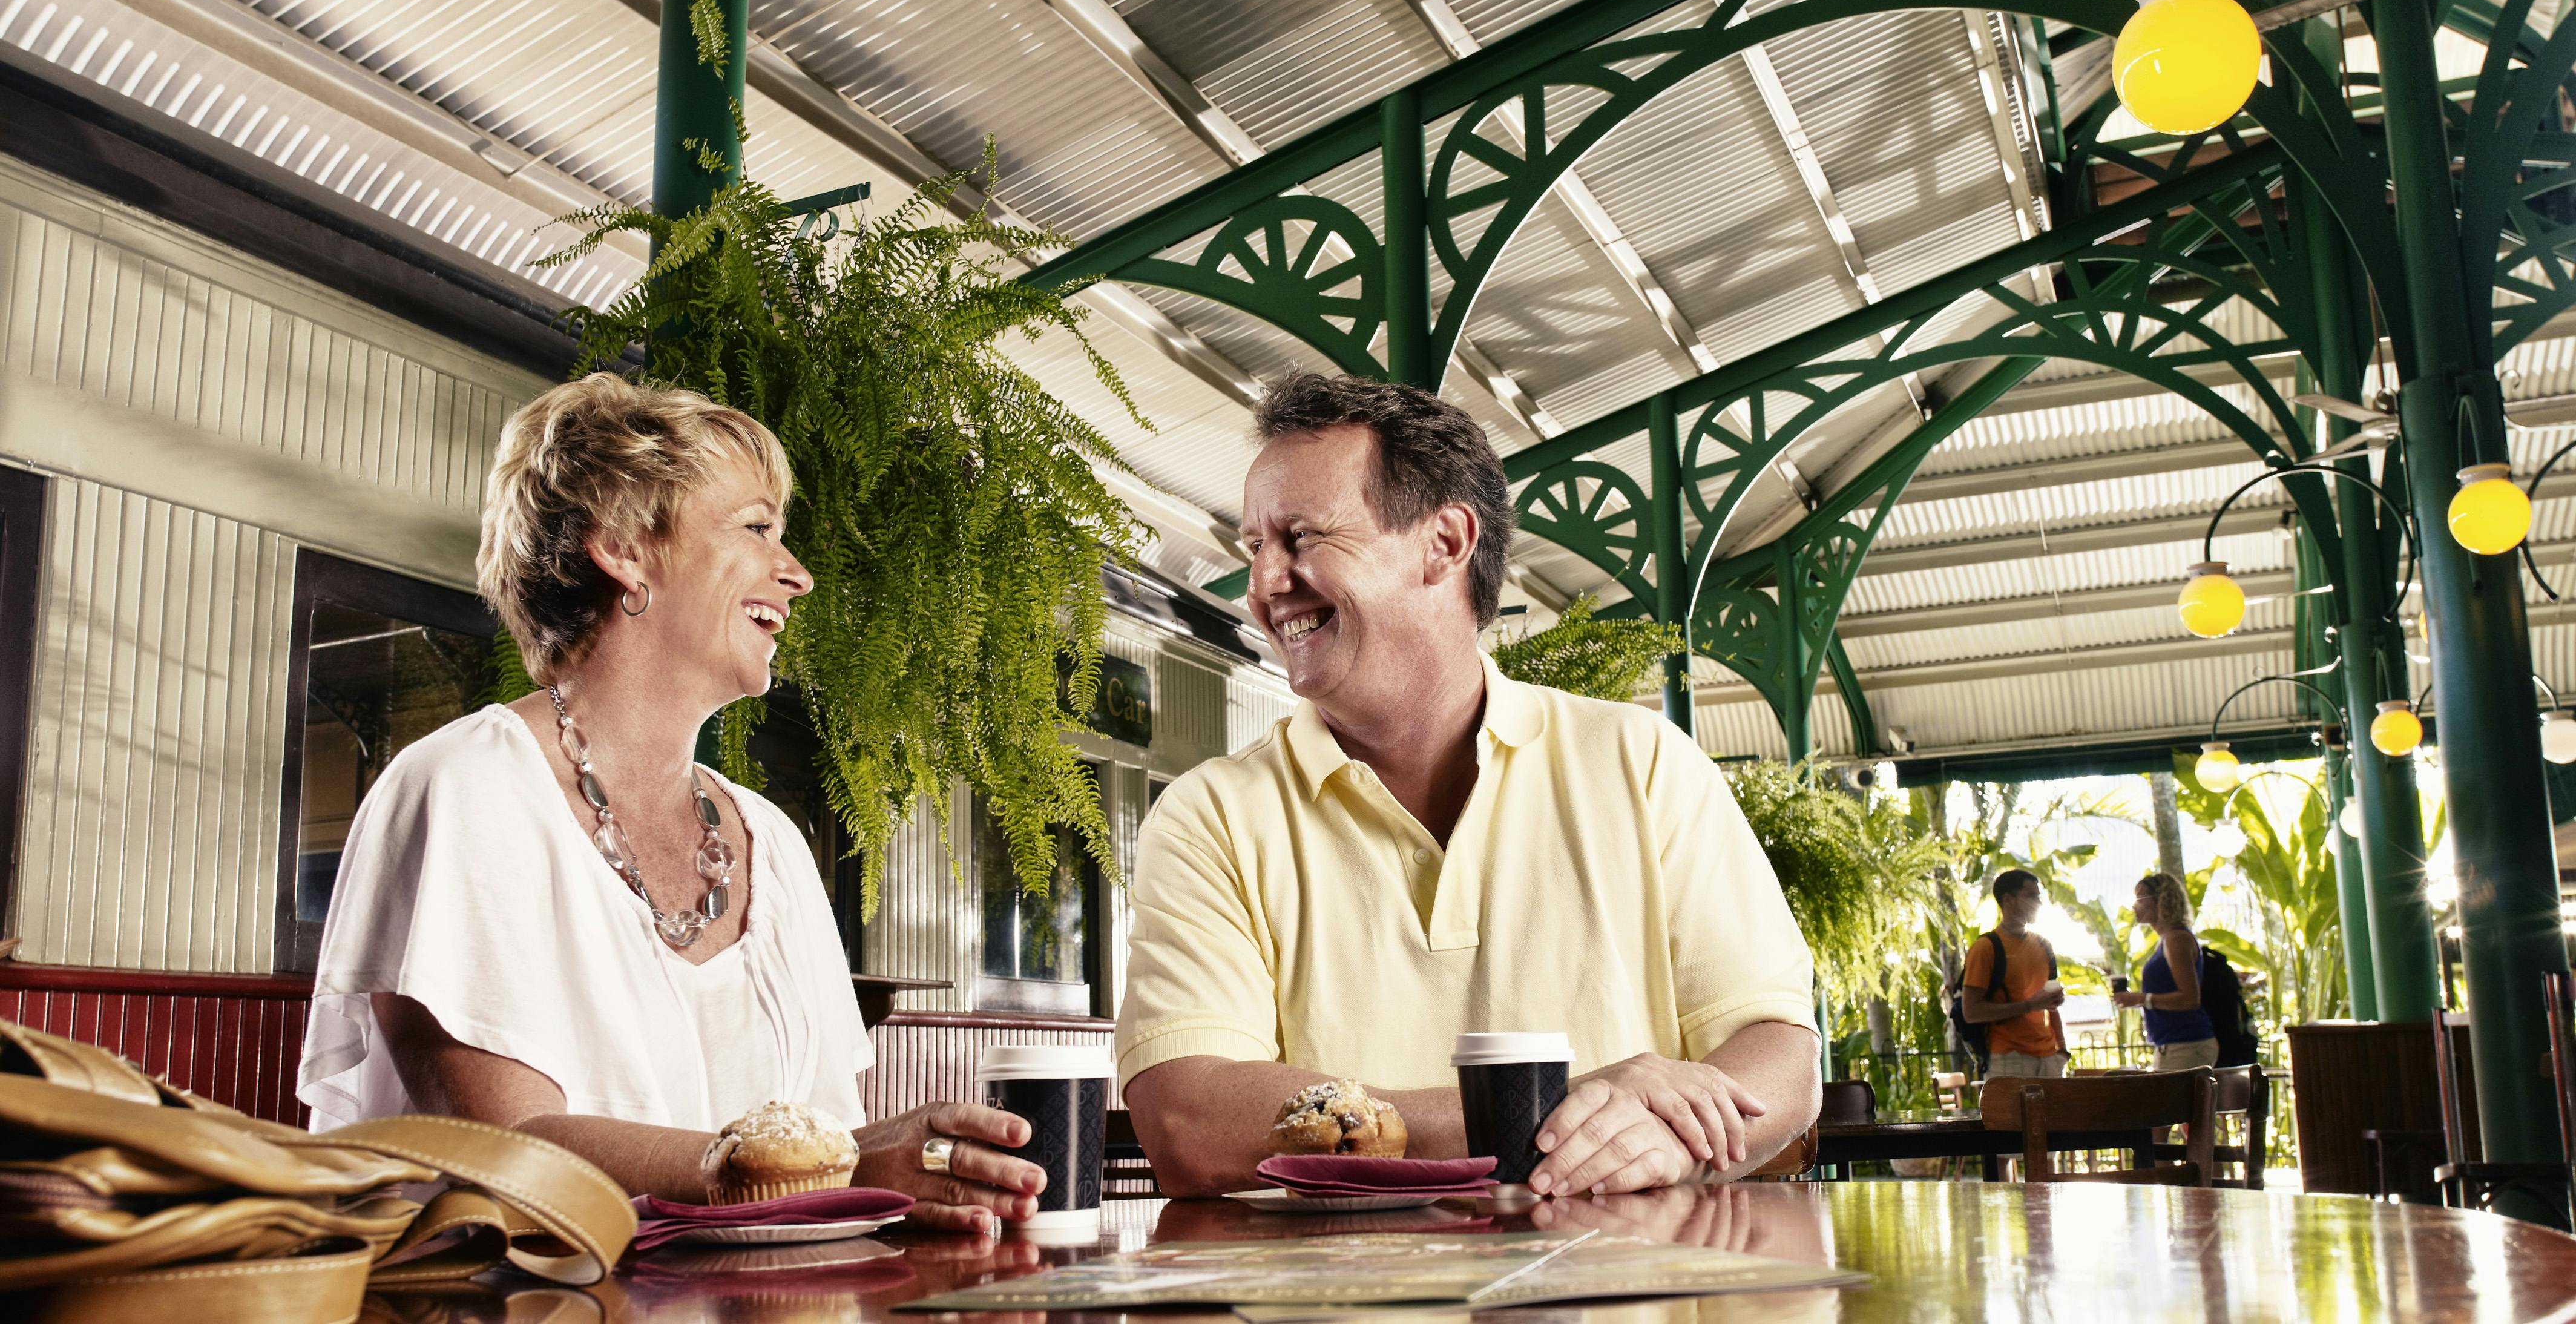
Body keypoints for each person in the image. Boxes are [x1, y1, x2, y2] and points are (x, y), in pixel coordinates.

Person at [298, 374, 1042, 1229]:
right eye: (758, 527)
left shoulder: (774, 843)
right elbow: (508, 1148)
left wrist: (921, 1184)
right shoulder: (465, 788)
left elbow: (817, 1154)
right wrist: (841, 1164)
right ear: (624, 548)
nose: (795, 574)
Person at [1116, 372, 1821, 1197]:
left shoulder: (1643, 764)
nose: (1263, 583)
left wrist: (1661, 1135)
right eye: (1255, 547)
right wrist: (1549, 1117)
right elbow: (1187, 1120)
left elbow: (1778, 1051)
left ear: (1445, 542)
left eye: (1300, 537)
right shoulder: (1212, 816)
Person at [1957, 870, 2068, 1080]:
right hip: (2008, 1059)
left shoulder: (2044, 945)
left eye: (2039, 896)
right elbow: (1971, 1012)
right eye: (2032, 896)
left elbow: (2050, 1007)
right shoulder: (1986, 948)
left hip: (2050, 1058)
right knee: (2011, 1115)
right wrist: (2029, 1005)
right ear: (2008, 900)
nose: (2039, 904)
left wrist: (2062, 1050)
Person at [2111, 871, 2216, 1070]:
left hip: (2187, 1044)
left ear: (2162, 901)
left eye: (2140, 898)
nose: (2134, 905)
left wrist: (2142, 999)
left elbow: (2189, 999)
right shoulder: (2166, 939)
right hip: (2171, 1045)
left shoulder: (2177, 939)